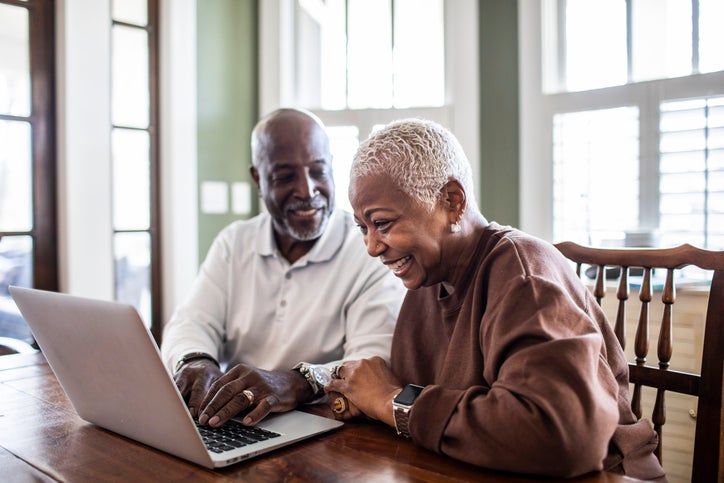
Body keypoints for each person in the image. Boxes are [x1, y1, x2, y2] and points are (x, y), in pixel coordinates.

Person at [326, 118, 666, 480]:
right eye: (363, 228)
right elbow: (420, 399)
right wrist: (371, 398)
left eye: (383, 223)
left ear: (451, 202)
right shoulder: (426, 279)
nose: (372, 247)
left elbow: (561, 436)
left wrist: (392, 402)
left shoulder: (524, 273)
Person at [161, 108, 405, 429]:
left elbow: (373, 362)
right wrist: (196, 360)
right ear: (258, 180)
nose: (307, 191)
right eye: (285, 177)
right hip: (231, 421)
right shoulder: (234, 243)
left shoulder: (369, 249)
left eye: (318, 171)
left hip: (323, 427)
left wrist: (299, 381)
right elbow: (191, 322)